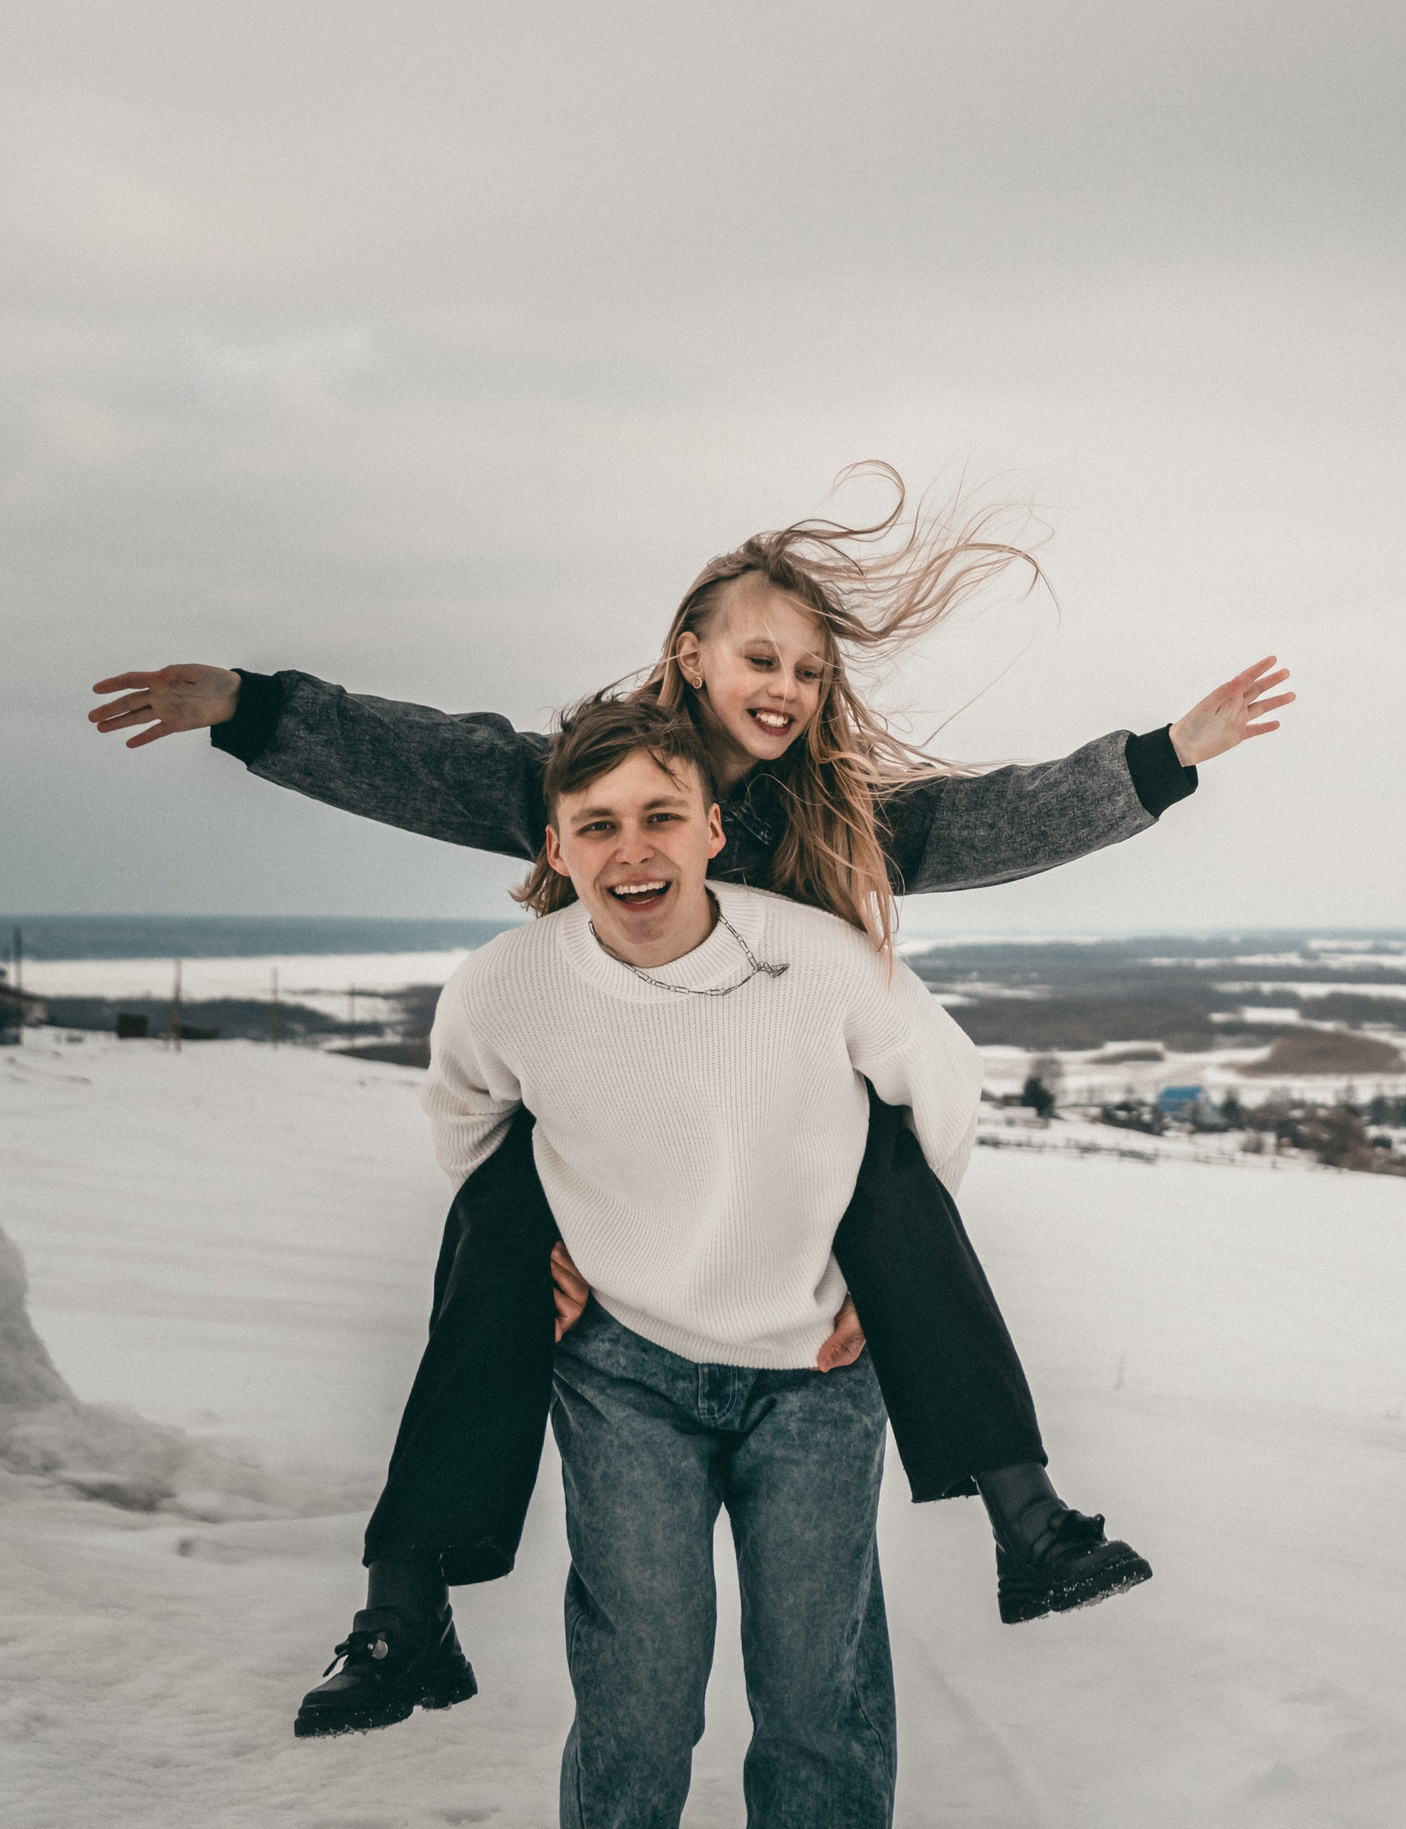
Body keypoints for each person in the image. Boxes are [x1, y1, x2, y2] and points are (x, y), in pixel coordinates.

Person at [87, 474, 1294, 1737]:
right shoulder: (593, 775)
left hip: (779, 1133)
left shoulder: (837, 815)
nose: (786, 686)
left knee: (892, 1178)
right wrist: (253, 710)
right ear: (691, 654)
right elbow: (430, 759)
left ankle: (1027, 1518)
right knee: (493, 1228)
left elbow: (989, 819)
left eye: (811, 671)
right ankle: (405, 1606)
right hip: (611, 1109)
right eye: (761, 655)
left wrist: (1160, 761)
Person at [435, 694, 962, 1825]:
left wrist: (894, 1274)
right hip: (623, 1367)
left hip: (816, 1364)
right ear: (556, 845)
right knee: (639, 1689)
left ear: (713, 829)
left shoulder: (816, 960)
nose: (632, 848)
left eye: (661, 815)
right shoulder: (505, 984)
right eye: (597, 822)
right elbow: (469, 1122)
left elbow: (942, 1086)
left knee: (817, 1692)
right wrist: (535, 1247)